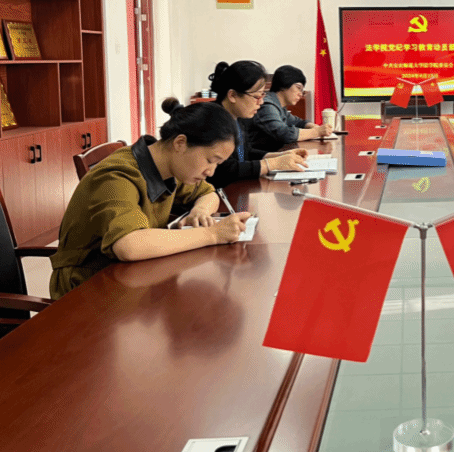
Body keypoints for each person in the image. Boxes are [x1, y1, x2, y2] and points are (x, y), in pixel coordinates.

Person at [49, 101, 252, 299]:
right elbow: (129, 246)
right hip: (87, 288)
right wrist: (213, 234)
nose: (211, 172)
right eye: (210, 161)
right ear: (180, 143)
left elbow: (208, 194)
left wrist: (200, 211)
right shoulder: (116, 177)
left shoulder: (169, 167)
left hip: (134, 277)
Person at [201, 60, 308, 188]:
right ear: (233, 95)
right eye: (256, 97)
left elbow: (246, 153)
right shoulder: (212, 121)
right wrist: (272, 164)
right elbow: (225, 171)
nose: (261, 102)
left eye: (262, 95)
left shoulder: (237, 116)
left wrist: (281, 156)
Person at [249, 65, 332, 152]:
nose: (300, 94)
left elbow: (298, 122)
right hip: (261, 158)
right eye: (298, 88)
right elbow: (284, 134)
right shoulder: (267, 105)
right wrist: (317, 132)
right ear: (283, 84)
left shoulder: (279, 106)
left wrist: (313, 126)